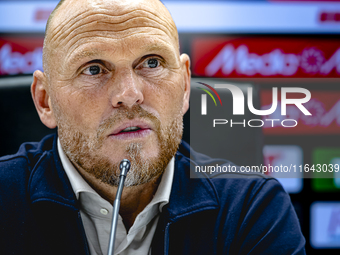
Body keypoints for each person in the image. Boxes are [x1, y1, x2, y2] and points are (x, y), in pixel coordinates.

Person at [0, 0, 306, 254]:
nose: (130, 94)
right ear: (45, 101)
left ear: (185, 86)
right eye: (94, 69)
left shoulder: (252, 209)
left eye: (151, 63)